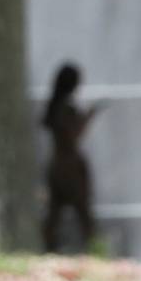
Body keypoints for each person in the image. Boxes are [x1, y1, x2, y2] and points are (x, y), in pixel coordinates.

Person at [41, 63, 100, 253]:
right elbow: (72, 135)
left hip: (56, 166)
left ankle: (48, 251)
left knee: (54, 216)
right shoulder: (66, 108)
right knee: (84, 215)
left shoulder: (53, 107)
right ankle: (96, 250)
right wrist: (88, 117)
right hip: (70, 166)